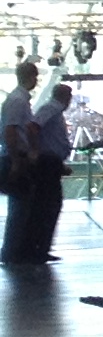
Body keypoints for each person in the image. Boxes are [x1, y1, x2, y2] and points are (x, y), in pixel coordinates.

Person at [4, 83, 72, 266]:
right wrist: (35, 151)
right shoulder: (51, 108)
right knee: (48, 205)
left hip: (51, 161)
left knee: (45, 206)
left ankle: (37, 249)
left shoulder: (53, 110)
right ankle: (36, 249)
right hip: (47, 162)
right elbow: (33, 127)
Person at [0, 64, 37, 268]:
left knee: (21, 206)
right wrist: (16, 160)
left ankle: (15, 251)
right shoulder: (18, 101)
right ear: (30, 77)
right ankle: (12, 252)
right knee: (20, 207)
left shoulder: (17, 99)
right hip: (17, 157)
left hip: (16, 156)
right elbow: (10, 131)